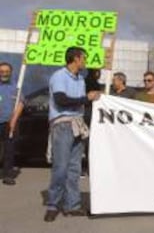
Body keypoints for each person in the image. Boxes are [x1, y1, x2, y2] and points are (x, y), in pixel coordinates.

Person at [44, 47, 100, 222]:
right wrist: (87, 99)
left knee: (74, 167)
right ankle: (53, 205)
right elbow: (61, 100)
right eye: (84, 58)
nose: (86, 61)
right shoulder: (59, 76)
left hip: (78, 124)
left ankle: (72, 205)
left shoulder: (80, 79)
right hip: (63, 125)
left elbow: (81, 102)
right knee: (60, 167)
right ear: (76, 58)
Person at [0, 62, 24, 185]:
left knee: (9, 150)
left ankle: (7, 175)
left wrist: (14, 120)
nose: (4, 73)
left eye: (6, 71)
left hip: (10, 123)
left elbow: (21, 103)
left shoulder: (16, 88)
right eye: (2, 71)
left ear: (10, 73)